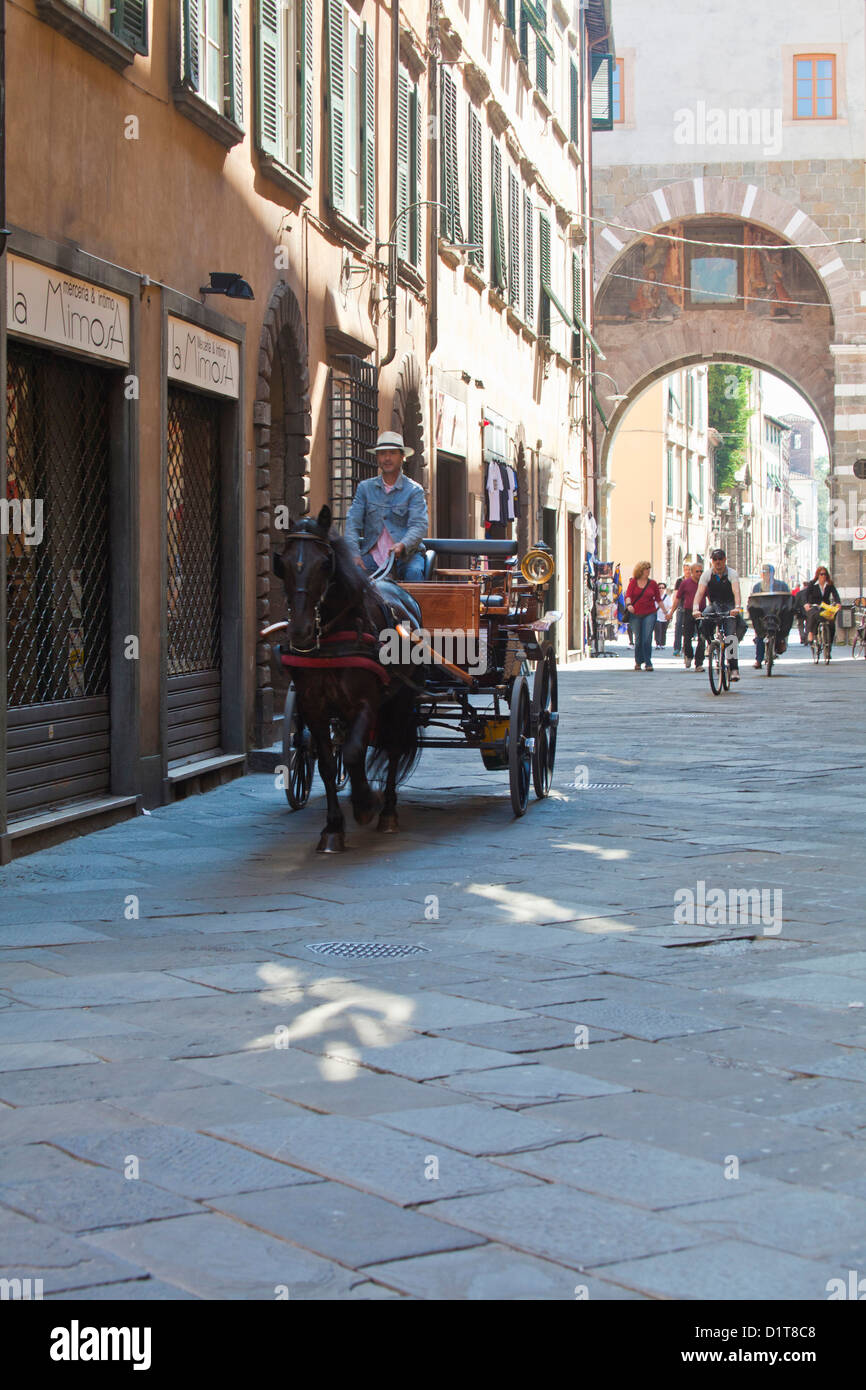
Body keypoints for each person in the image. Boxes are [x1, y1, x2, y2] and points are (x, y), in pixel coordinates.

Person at [344, 432, 428, 582]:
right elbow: (352, 524)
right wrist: (354, 555)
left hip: (407, 556)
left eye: (392, 453)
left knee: (414, 573)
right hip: (373, 557)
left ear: (402, 457)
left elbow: (419, 525)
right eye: (382, 454)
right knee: (347, 578)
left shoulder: (414, 490)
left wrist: (402, 545)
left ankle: (420, 606)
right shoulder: (365, 488)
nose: (387, 458)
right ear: (377, 457)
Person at [693, 548, 745, 681]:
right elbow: (699, 593)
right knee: (703, 619)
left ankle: (734, 668)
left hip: (729, 606)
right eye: (715, 559)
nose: (718, 562)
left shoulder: (732, 573)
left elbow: (736, 592)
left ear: (724, 560)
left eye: (720, 559)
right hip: (714, 605)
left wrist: (737, 607)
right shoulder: (707, 575)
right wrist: (695, 609)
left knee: (731, 637)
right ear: (712, 561)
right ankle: (710, 643)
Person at [750, 564, 790, 668]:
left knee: (786, 617)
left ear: (773, 573)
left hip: (777, 613)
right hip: (763, 614)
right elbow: (753, 601)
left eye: (768, 572)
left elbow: (788, 600)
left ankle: (781, 641)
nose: (766, 575)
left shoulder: (781, 585)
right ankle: (758, 660)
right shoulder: (757, 587)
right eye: (764, 573)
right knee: (760, 635)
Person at [625, 561, 662, 671]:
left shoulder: (653, 583)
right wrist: (629, 605)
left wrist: (666, 612)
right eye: (647, 569)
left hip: (650, 613)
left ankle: (648, 662)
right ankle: (638, 661)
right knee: (639, 639)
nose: (648, 571)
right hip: (635, 613)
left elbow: (658, 599)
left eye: (649, 569)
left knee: (647, 638)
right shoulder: (633, 582)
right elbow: (628, 595)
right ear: (641, 570)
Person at [670, 560, 706, 670]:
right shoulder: (685, 583)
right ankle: (689, 655)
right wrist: (671, 612)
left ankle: (699, 663)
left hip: (702, 611)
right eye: (697, 571)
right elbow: (678, 598)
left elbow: (710, 597)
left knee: (702, 637)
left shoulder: (705, 583)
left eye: (701, 571)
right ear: (692, 572)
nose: (699, 573)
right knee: (687, 636)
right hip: (688, 611)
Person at [802, 565, 841, 649]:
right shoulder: (812, 584)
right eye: (821, 574)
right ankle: (811, 632)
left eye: (825, 574)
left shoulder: (829, 584)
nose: (823, 576)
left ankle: (829, 644)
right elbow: (806, 594)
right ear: (818, 575)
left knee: (831, 623)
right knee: (813, 614)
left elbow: (835, 594)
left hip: (826, 606)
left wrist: (838, 603)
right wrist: (806, 603)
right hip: (815, 605)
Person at [672, 557, 691, 657]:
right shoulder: (679, 580)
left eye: (689, 569)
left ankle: (686, 646)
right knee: (678, 625)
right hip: (680, 605)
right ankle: (677, 648)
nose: (687, 571)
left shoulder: (694, 580)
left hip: (690, 606)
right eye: (686, 569)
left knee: (688, 627)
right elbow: (675, 594)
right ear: (683, 570)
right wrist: (673, 608)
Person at [654, 582, 673, 647]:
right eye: (659, 588)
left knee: (663, 630)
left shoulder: (667, 597)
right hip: (657, 616)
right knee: (658, 629)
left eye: (663, 588)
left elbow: (670, 606)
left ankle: (662, 643)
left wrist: (667, 612)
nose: (661, 589)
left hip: (665, 616)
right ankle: (658, 643)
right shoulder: (654, 597)